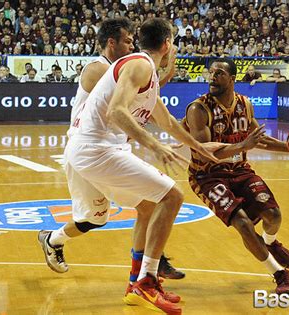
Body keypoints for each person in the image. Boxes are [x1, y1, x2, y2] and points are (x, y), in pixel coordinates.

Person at [39, 18, 222, 314]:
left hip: (94, 149)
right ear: (167, 44)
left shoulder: (145, 71)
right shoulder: (140, 65)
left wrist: (198, 147)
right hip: (96, 148)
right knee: (172, 196)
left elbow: (167, 122)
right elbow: (116, 112)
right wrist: (155, 145)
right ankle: (146, 282)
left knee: (146, 207)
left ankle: (135, 283)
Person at [183, 58, 289, 295]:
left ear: (232, 79)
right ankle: (279, 273)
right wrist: (242, 145)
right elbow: (205, 152)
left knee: (273, 214)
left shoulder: (245, 104)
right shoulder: (198, 109)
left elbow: (259, 138)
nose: (212, 77)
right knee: (243, 223)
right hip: (207, 176)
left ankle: (270, 241)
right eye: (211, 72)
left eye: (219, 73)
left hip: (240, 171)